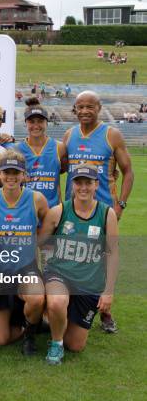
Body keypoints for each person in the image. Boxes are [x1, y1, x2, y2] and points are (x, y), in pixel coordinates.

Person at [63, 90, 133, 333]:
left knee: (102, 260)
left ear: (99, 107)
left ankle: (106, 311)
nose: (84, 111)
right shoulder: (69, 135)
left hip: (102, 211)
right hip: (71, 211)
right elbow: (58, 166)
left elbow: (128, 171)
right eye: (80, 106)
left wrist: (120, 204)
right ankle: (71, 310)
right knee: (71, 258)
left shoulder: (111, 134)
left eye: (89, 106)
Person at [39, 164, 118, 365]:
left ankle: (52, 319)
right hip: (59, 274)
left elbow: (113, 254)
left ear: (96, 185)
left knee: (75, 345)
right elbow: (40, 244)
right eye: (79, 182)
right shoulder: (59, 211)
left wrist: (108, 291)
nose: (83, 187)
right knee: (57, 301)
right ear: (72, 185)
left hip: (88, 282)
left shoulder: (107, 214)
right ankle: (56, 343)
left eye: (88, 183)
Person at [0, 150, 49, 355]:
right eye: (6, 171)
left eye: (16, 172)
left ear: (24, 175)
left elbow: (49, 226)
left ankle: (30, 335)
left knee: (36, 298)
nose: (11, 177)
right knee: (0, 340)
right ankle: (34, 323)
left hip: (25, 268)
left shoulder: (37, 199)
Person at [16, 98, 67, 207]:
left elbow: (62, 170)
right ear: (25, 123)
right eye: (31, 121)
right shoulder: (17, 149)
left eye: (40, 121)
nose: (36, 126)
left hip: (53, 210)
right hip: (25, 209)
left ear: (47, 122)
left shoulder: (60, 147)